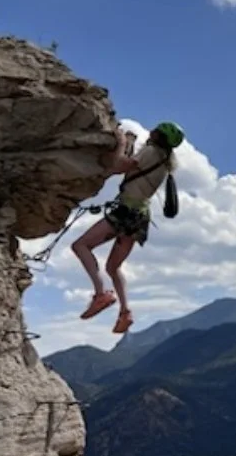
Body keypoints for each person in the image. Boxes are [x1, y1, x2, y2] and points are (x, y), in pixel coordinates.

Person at [72, 121, 185, 333]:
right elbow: (133, 169)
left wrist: (122, 142)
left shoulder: (151, 152)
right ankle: (125, 312)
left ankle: (101, 294)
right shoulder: (164, 161)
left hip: (125, 211)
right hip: (140, 216)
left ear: (158, 136)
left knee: (81, 246)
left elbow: (120, 166)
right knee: (113, 267)